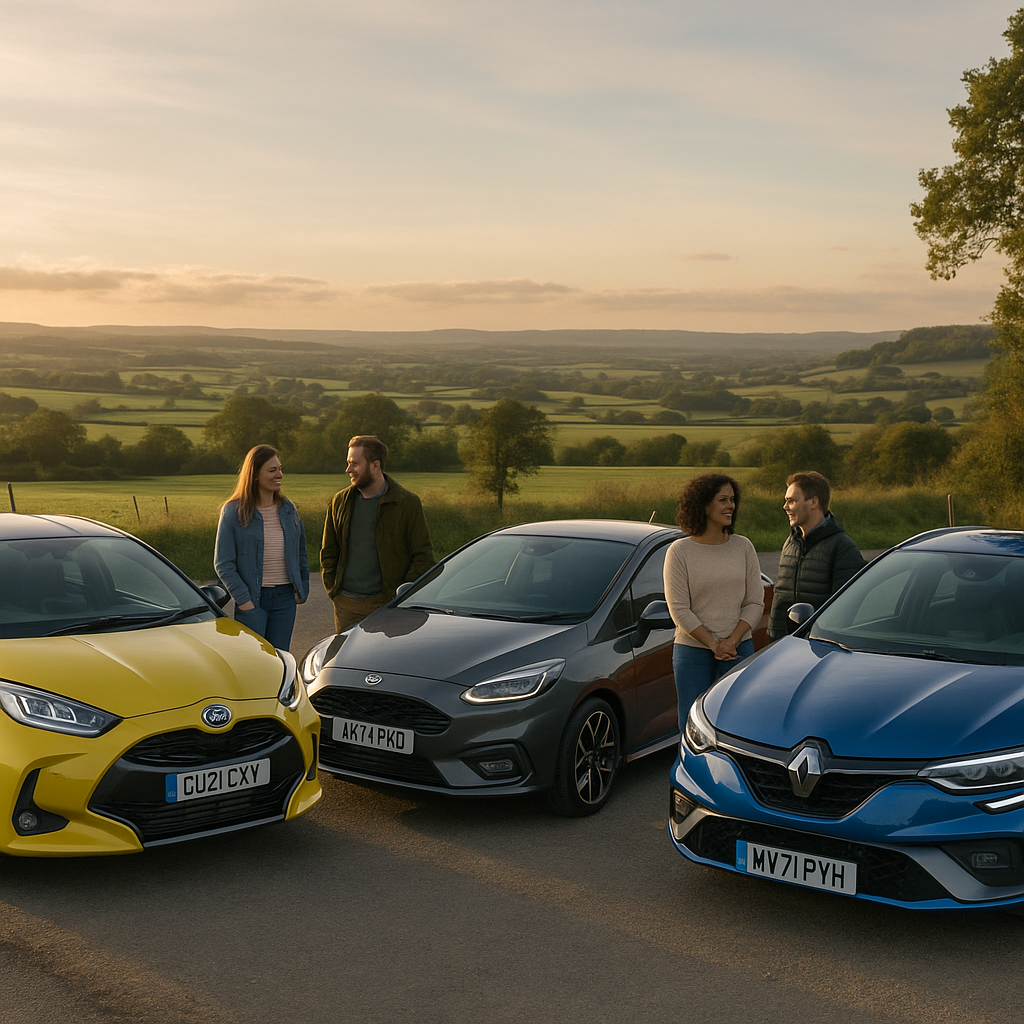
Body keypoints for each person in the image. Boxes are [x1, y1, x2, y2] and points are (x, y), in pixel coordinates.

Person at [664, 473, 764, 729]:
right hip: (692, 651)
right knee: (693, 724)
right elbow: (678, 608)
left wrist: (731, 641)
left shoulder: (743, 547)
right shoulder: (679, 552)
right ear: (704, 505)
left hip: (738, 648)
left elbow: (755, 602)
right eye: (723, 500)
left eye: (732, 500)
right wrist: (713, 644)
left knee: (738, 723)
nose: (730, 505)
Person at [321, 434, 435, 633]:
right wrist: (334, 591)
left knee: (384, 661)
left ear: (375, 465)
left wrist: (401, 597)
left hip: (387, 604)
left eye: (354, 464)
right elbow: (328, 551)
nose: (348, 470)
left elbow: (423, 556)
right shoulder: (339, 502)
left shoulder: (406, 503)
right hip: (346, 604)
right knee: (346, 662)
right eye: (348, 463)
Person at [215, 444, 309, 651]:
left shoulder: (288, 509)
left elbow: (300, 552)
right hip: (253, 600)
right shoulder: (233, 512)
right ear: (255, 475)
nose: (280, 475)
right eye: (272, 470)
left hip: (285, 600)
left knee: (281, 659)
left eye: (280, 469)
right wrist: (244, 600)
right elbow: (223, 563)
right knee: (255, 661)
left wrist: (302, 588)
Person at [768, 470, 865, 641]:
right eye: (786, 501)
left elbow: (845, 609)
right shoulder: (791, 543)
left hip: (819, 647)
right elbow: (780, 598)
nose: (785, 506)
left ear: (813, 502)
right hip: (785, 646)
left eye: (791, 501)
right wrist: (773, 638)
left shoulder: (842, 547)